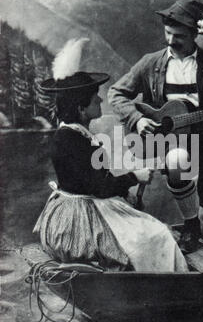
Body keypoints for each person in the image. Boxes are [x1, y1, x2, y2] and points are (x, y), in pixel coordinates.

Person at [33, 38, 188, 272]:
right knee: (155, 237)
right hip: (81, 217)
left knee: (150, 229)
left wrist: (127, 190)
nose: (100, 99)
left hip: (88, 204)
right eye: (94, 96)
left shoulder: (74, 134)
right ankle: (160, 289)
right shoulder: (70, 140)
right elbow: (100, 187)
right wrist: (135, 177)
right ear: (80, 108)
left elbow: (96, 180)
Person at [108, 0, 203, 251]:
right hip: (169, 141)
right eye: (168, 34)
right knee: (178, 160)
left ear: (195, 34)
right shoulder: (151, 63)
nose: (171, 41)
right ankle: (191, 227)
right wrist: (137, 120)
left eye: (179, 36)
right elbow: (116, 93)